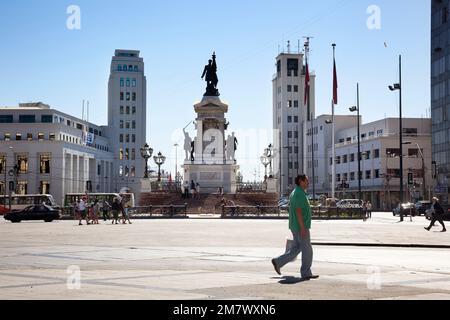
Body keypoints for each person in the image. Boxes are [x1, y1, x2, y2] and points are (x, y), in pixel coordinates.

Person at [271, 174, 319, 280]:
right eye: (306, 180)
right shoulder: (299, 194)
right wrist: (302, 227)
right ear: (301, 181)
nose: (308, 183)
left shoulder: (297, 192)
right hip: (300, 226)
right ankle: (306, 272)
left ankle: (278, 261)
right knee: (307, 250)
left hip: (296, 225)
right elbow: (298, 211)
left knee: (296, 248)